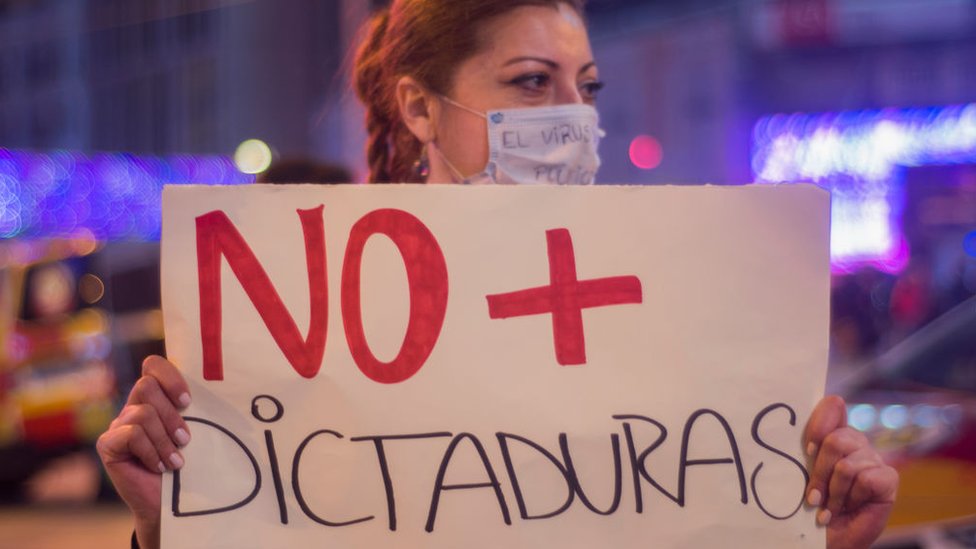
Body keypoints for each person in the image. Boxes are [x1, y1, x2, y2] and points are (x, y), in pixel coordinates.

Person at [96, 1, 899, 548]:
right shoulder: (318, 330)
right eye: (530, 81)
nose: (572, 116)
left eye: (586, 88)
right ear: (420, 109)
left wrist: (818, 536)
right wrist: (175, 528)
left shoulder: (673, 319)